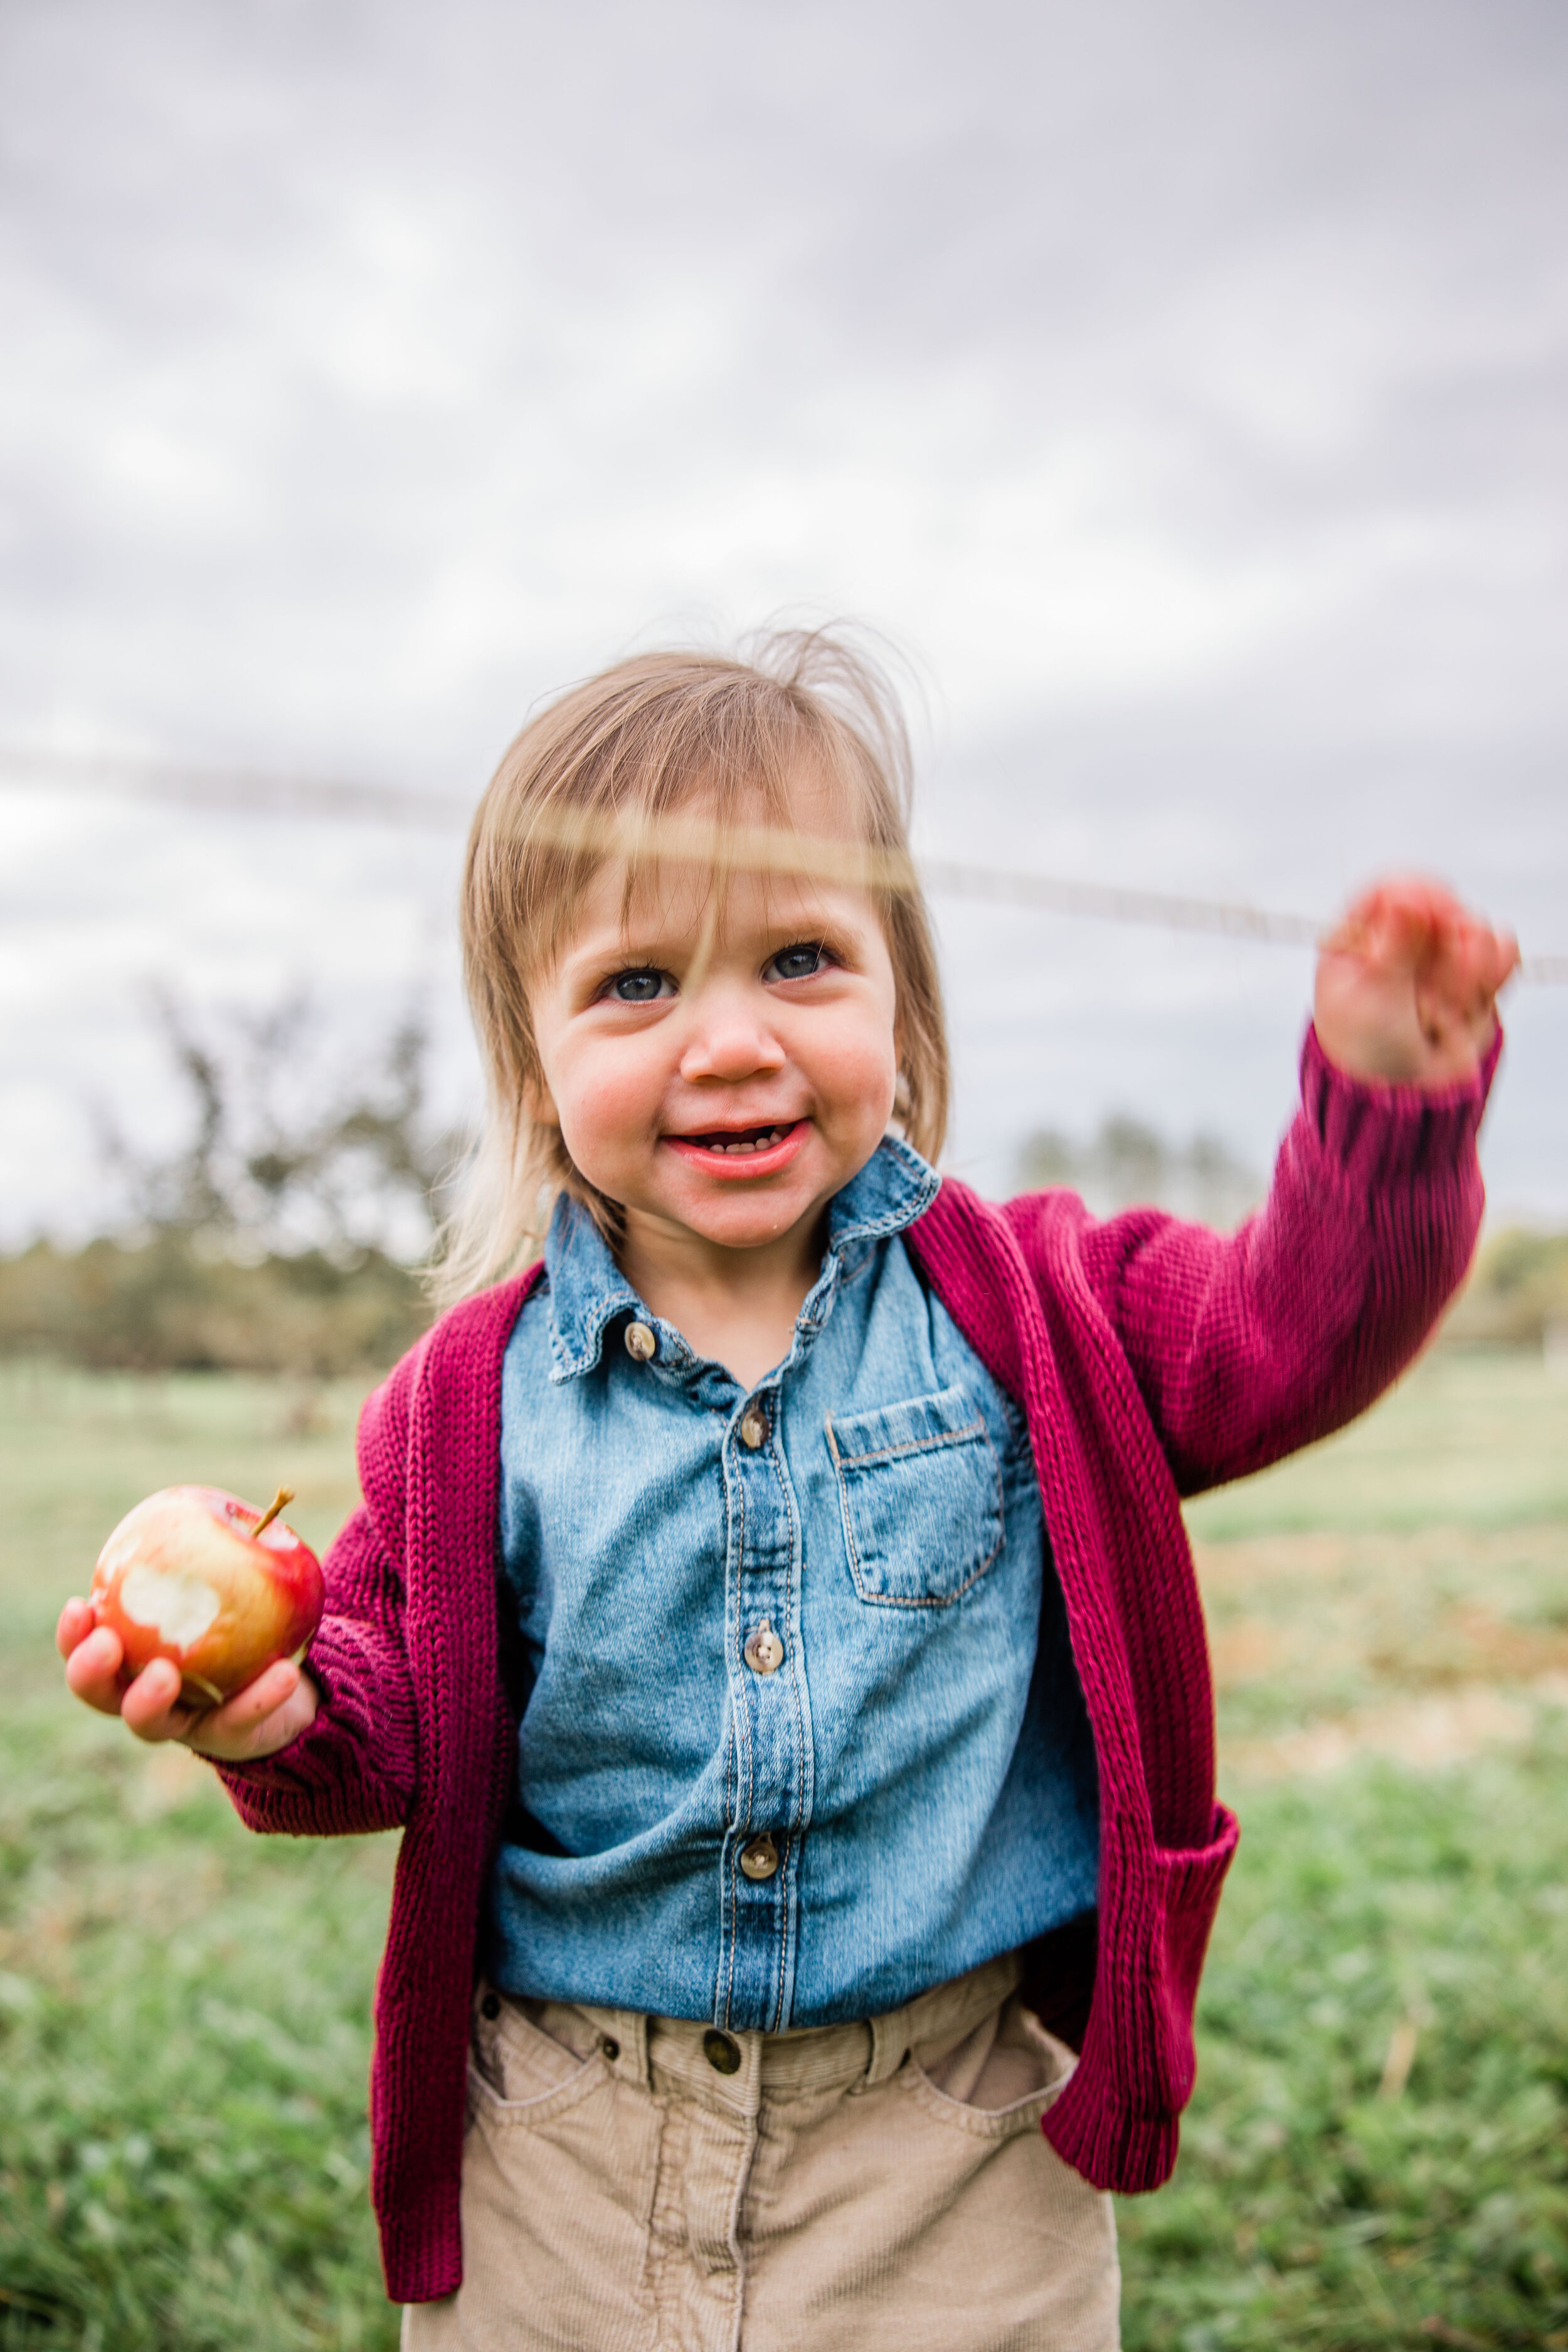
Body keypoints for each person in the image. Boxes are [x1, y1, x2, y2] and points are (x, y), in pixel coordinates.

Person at [58, 633, 1515, 2351]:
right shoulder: (466, 1407)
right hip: (565, 2144)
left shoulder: (1034, 1310)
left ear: (901, 999)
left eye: (800, 958)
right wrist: (271, 1713)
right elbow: (396, 1711)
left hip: (945, 2153)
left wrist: (1387, 1122)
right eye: (637, 985)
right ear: (531, 1065)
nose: (733, 1040)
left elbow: (1285, 1337)